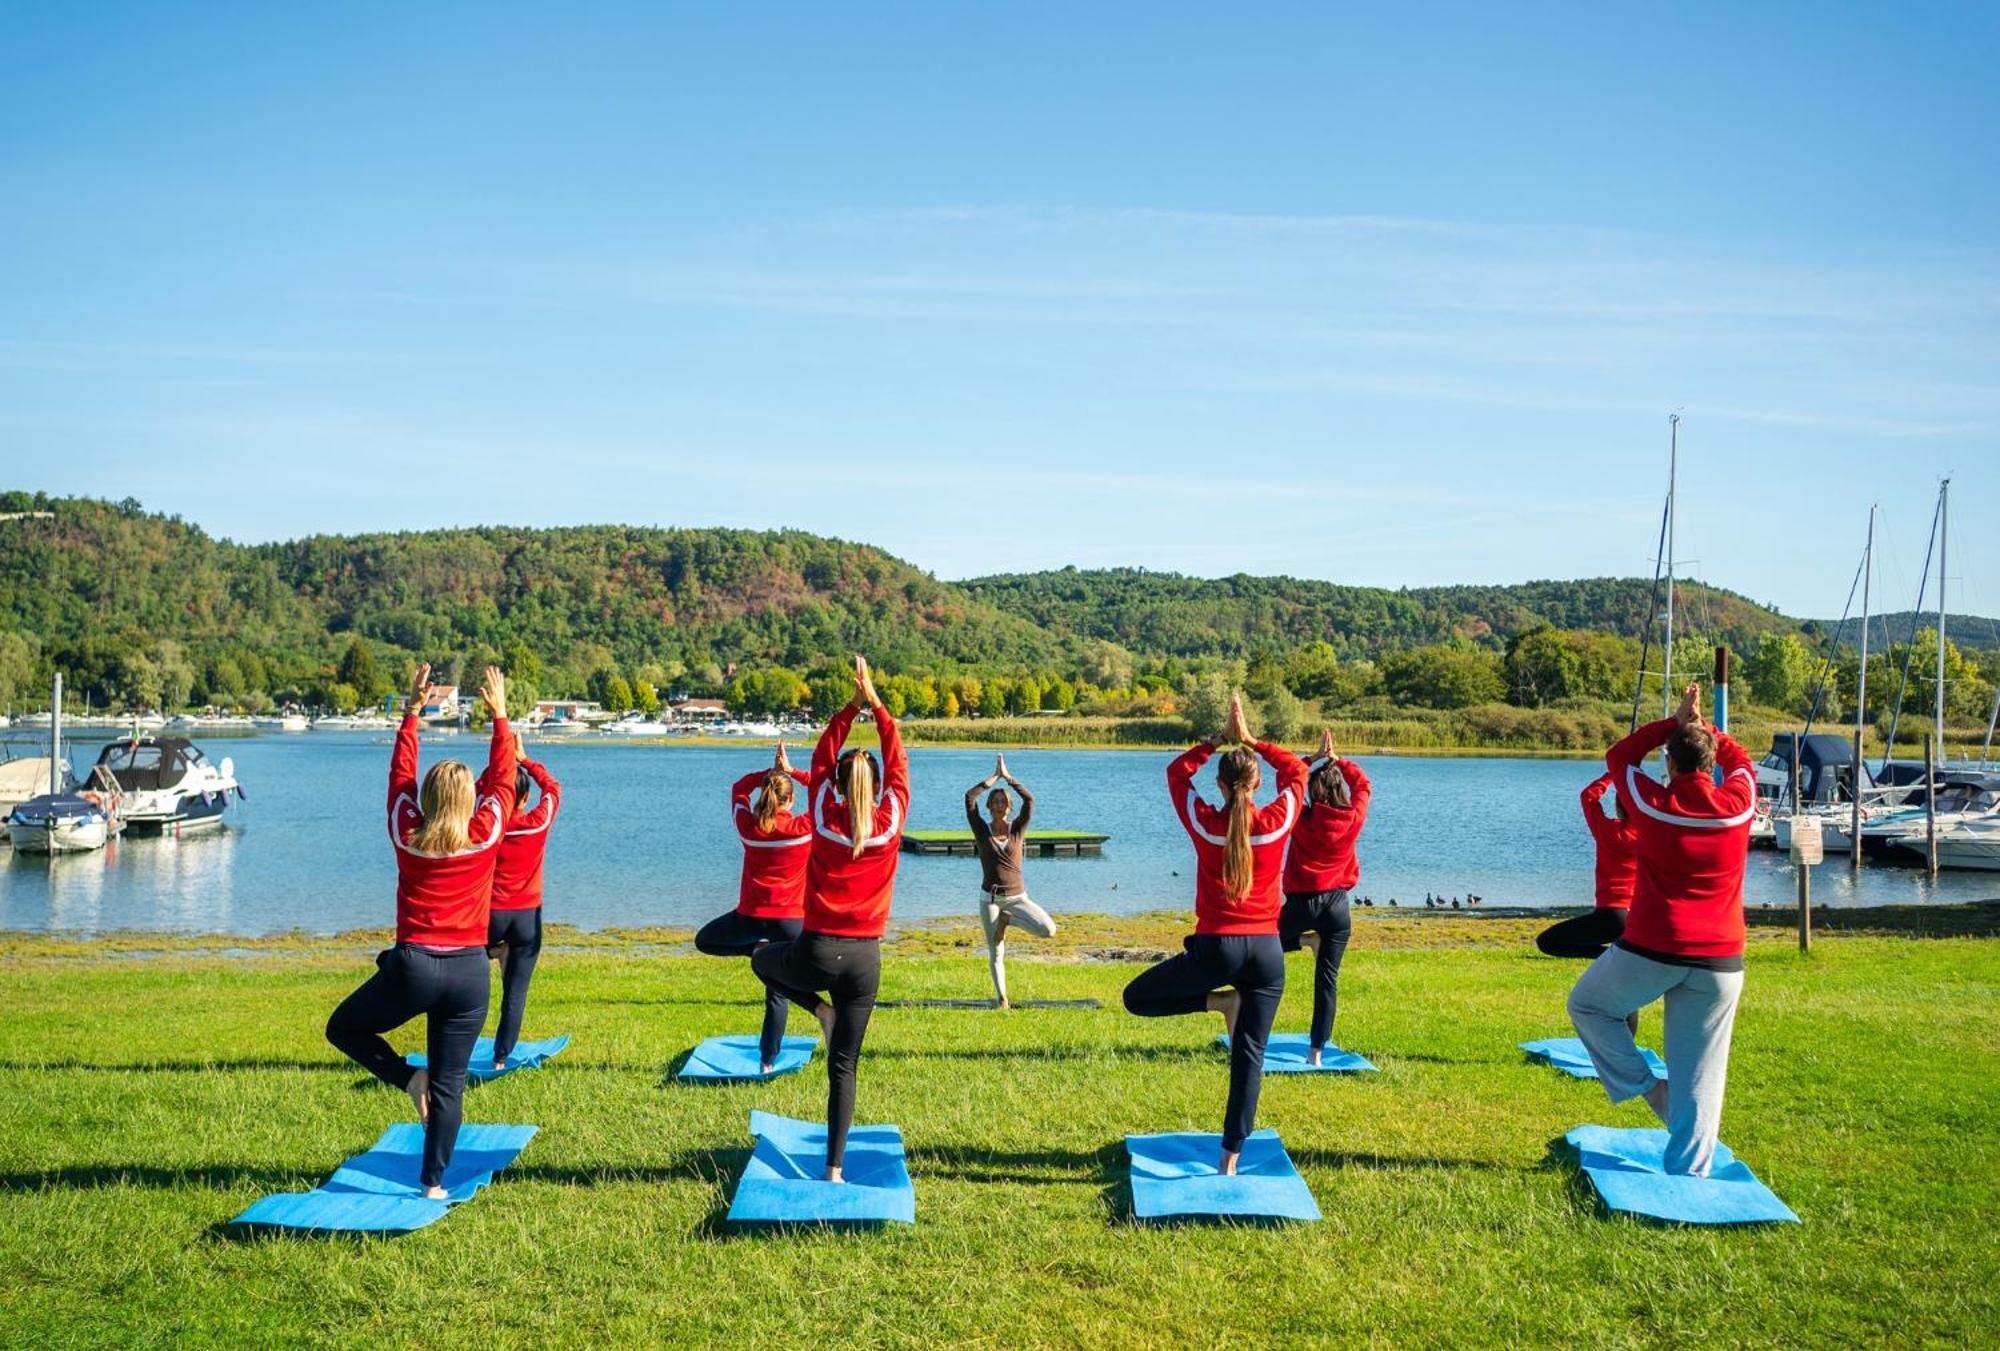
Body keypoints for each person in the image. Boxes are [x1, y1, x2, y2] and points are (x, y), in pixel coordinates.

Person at [326, 663, 514, 1199]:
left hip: (413, 967)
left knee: (344, 1029)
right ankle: (433, 1184)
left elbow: (399, 778)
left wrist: (412, 712)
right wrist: (499, 716)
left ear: (428, 800)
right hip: (469, 973)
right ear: (469, 801)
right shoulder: (485, 832)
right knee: (451, 1086)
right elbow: (503, 780)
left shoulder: (407, 830)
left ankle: (408, 1078)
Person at [1567, 682, 1755, 1178]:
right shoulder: (1738, 804)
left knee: (1587, 1006)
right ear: (1710, 766)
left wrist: (1672, 724)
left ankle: (1652, 1091)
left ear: (1670, 765)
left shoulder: (1652, 802)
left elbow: (1619, 755)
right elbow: (1741, 762)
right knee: (1702, 1071)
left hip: (1652, 948)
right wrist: (1704, 728)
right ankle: (1690, 1174)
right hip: (1721, 959)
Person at [1123, 694, 1307, 1175]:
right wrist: (1253, 741)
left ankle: (1219, 1002)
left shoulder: (1206, 824)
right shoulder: (1274, 822)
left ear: (1221, 786)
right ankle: (1230, 1161)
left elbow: (1176, 774)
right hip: (1267, 953)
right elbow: (1298, 775)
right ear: (1257, 782)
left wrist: (1216, 741)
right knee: (1249, 1058)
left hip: (1216, 951)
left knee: (1137, 998)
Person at [752, 656, 909, 1182]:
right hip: (866, 961)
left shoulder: (822, 812)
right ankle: (835, 1171)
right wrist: (879, 706)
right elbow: (899, 761)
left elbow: (821, 756)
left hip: (817, 950)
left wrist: (853, 705)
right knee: (844, 1067)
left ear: (838, 786)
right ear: (880, 786)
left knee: (760, 960)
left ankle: (817, 1010)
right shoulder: (890, 822)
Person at [695, 742, 811, 1072]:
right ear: (790, 799)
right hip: (790, 923)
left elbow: (737, 789)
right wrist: (791, 771)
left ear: (766, 796)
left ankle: (758, 951)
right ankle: (767, 1062)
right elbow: (825, 790)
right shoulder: (804, 830)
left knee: (705, 941)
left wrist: (768, 774)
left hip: (750, 919)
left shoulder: (750, 828)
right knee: (778, 991)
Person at [1278, 727, 1372, 1065]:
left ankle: (1304, 941)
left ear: (1315, 792)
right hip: (1336, 907)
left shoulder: (1302, 820)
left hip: (1302, 904)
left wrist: (1313, 758)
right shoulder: (1354, 817)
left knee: (1259, 944)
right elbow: (1364, 786)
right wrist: (1340, 760)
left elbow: (1286, 784)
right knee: (1327, 982)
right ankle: (1315, 1053)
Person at [486, 732, 560, 1072]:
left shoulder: (486, 828)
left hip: (490, 917)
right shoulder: (536, 823)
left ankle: (494, 951)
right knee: (515, 992)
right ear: (525, 796)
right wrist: (524, 758)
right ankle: (500, 1059)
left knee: (454, 957)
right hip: (526, 919)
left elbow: (479, 791)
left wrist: (498, 764)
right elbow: (553, 788)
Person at [965, 753, 1058, 1009]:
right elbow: (969, 798)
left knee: (1048, 930)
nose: (998, 805)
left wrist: (1008, 777)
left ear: (1009, 807)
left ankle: (1008, 920)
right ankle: (1002, 999)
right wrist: (993, 778)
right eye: (994, 801)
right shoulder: (981, 830)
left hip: (1018, 898)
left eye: (1002, 802)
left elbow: (1030, 799)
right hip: (990, 900)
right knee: (996, 950)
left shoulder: (1017, 829)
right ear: (989, 806)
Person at [1536, 772, 1636, 960]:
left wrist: (1613, 773)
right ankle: (1623, 955)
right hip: (1640, 917)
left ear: (1618, 807)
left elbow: (1589, 795)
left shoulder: (1606, 830)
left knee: (1547, 942)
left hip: (1612, 915)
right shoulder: (1652, 834)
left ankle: (1611, 956)